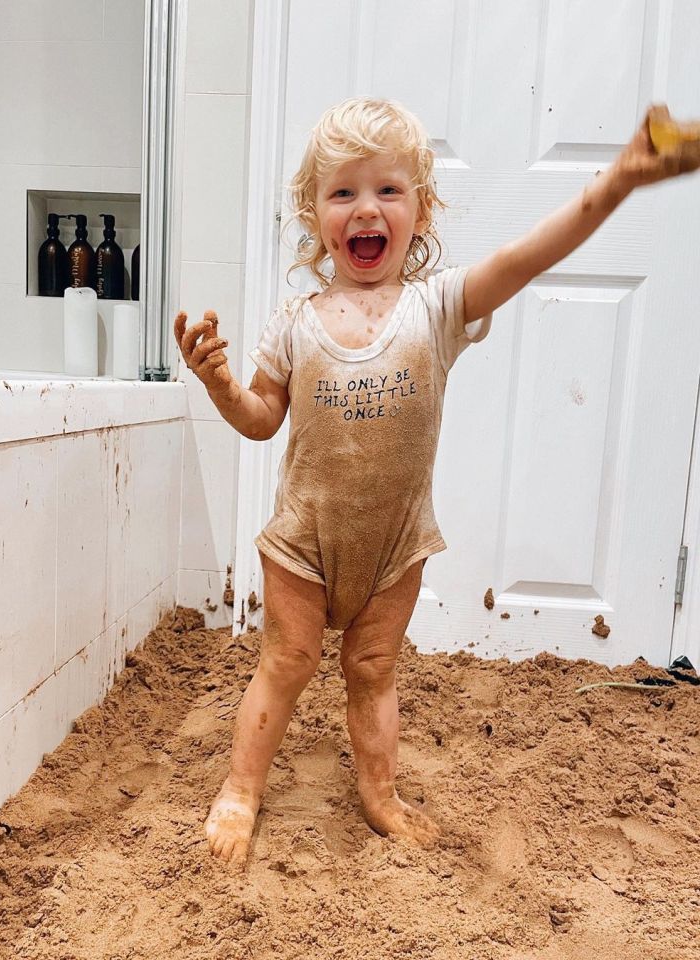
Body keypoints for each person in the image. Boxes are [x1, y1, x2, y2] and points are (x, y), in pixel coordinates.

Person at [174, 97, 700, 865]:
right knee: (286, 662)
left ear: (421, 210)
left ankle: (379, 793)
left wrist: (614, 183)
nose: (367, 208)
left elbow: (528, 256)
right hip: (302, 540)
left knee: (373, 668)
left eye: (389, 190)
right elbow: (260, 419)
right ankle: (241, 787)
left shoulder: (437, 307)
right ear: (314, 215)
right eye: (344, 192)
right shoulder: (295, 322)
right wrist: (220, 384)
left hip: (395, 543)